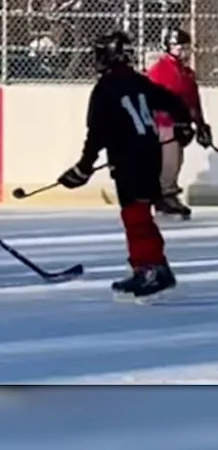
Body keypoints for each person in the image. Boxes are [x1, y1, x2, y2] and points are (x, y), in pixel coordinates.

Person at [57, 31, 194, 300]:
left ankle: (150, 268)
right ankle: (153, 266)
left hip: (130, 160)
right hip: (149, 154)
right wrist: (183, 125)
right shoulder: (139, 81)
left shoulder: (105, 88)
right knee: (140, 212)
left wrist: (84, 167)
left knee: (135, 215)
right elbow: (174, 102)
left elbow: (96, 133)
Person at [146, 28, 212, 220]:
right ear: (169, 47)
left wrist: (200, 124)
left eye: (186, 47)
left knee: (176, 158)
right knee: (169, 159)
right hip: (164, 123)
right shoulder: (161, 69)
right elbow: (158, 99)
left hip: (179, 123)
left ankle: (167, 192)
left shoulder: (186, 72)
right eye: (179, 46)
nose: (184, 51)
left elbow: (192, 100)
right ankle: (165, 195)